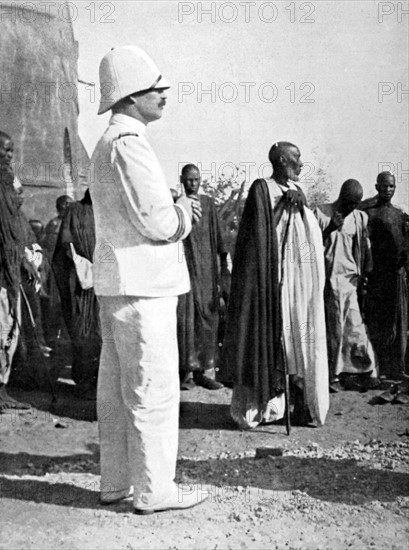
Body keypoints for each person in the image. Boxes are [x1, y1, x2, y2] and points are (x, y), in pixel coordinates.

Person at [89, 45, 209, 514]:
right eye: (156, 87)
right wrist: (184, 212)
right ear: (131, 95)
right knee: (152, 390)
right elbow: (157, 223)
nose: (164, 94)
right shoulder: (130, 143)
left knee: (117, 392)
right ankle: (155, 489)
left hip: (119, 285)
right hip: (145, 287)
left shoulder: (108, 143)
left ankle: (117, 482)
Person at [219, 142, 329, 428]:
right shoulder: (262, 188)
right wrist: (285, 203)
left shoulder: (297, 191)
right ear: (281, 160)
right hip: (266, 280)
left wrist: (298, 200)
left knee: (296, 341)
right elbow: (257, 235)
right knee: (266, 339)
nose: (301, 164)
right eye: (296, 158)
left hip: (295, 280)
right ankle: (260, 409)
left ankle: (296, 404)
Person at [0, 130, 39, 413]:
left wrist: (25, 258)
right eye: (6, 149)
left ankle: (2, 388)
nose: (11, 155)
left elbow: (16, 226)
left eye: (13, 150)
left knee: (11, 328)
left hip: (9, 267)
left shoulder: (5, 179)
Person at [313, 179, 378, 392]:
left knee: (356, 327)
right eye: (349, 202)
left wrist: (366, 274)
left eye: (356, 203)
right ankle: (332, 375)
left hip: (350, 281)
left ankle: (361, 371)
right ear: (341, 197)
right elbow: (309, 247)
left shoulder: (359, 217)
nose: (352, 207)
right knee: (334, 330)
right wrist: (330, 228)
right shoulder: (321, 213)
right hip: (329, 281)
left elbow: (364, 247)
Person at [177, 164, 229, 391]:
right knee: (185, 321)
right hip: (184, 273)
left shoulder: (208, 204)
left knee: (207, 320)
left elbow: (219, 239)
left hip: (207, 274)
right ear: (182, 180)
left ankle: (202, 371)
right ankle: (183, 372)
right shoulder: (177, 206)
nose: (193, 184)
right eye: (189, 180)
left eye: (196, 179)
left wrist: (224, 264)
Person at [52, 189, 101, 399]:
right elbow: (65, 244)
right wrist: (82, 264)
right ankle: (82, 382)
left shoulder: (107, 210)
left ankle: (97, 381)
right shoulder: (75, 210)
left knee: (101, 333)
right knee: (83, 332)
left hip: (102, 285)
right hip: (80, 284)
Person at [360, 172, 408, 380]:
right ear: (377, 186)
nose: (388, 190)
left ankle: (396, 368)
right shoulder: (367, 213)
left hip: (396, 276)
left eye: (392, 186)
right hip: (377, 276)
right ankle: (376, 368)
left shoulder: (400, 214)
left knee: (398, 322)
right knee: (377, 322)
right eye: (385, 186)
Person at [42, 195, 73, 343]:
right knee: (56, 304)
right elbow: (48, 247)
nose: (67, 207)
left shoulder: (73, 224)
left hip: (70, 270)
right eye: (65, 205)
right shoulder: (54, 224)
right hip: (56, 270)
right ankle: (53, 337)